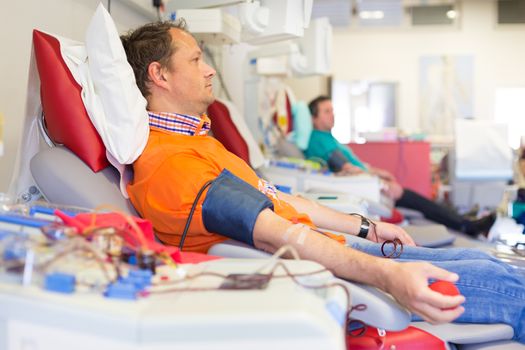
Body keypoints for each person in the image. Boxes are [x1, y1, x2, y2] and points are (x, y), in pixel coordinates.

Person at [121, 21, 525, 342]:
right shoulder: (174, 166)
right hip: (338, 270)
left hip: (342, 249)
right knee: (512, 291)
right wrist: (387, 276)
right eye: (195, 60)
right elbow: (280, 234)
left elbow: (282, 200)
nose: (209, 68)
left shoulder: (198, 142)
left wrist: (369, 227)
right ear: (160, 74)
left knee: (492, 264)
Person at [305, 95, 496, 237]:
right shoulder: (318, 141)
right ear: (314, 118)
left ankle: (463, 222)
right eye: (327, 111)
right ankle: (465, 225)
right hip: (366, 185)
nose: (333, 115)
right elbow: (347, 168)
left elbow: (355, 165)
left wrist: (379, 173)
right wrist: (380, 181)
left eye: (333, 110)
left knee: (422, 203)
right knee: (421, 203)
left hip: (369, 181)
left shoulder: (329, 138)